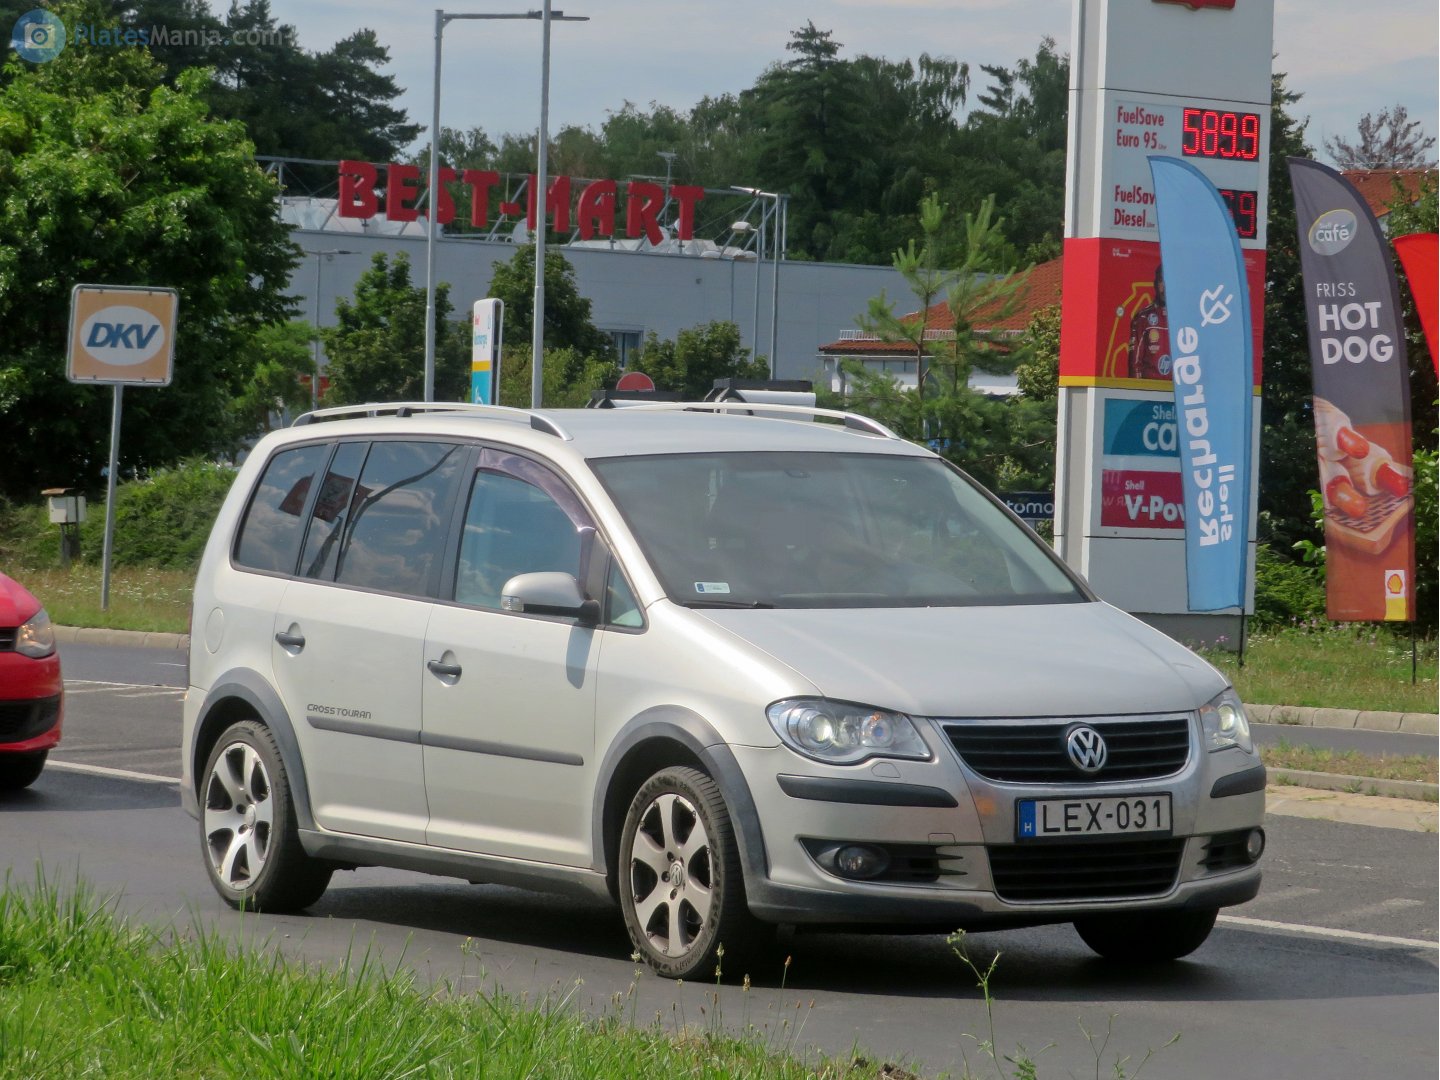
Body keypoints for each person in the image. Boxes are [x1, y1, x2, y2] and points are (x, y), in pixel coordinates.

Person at [1127, 264, 1171, 380]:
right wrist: (1137, 393)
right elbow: (1134, 364)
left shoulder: (1185, 318)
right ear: (1155, 284)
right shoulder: (1143, 317)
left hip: (1177, 392)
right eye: (1161, 280)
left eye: (1169, 280)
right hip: (1151, 391)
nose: (1165, 287)